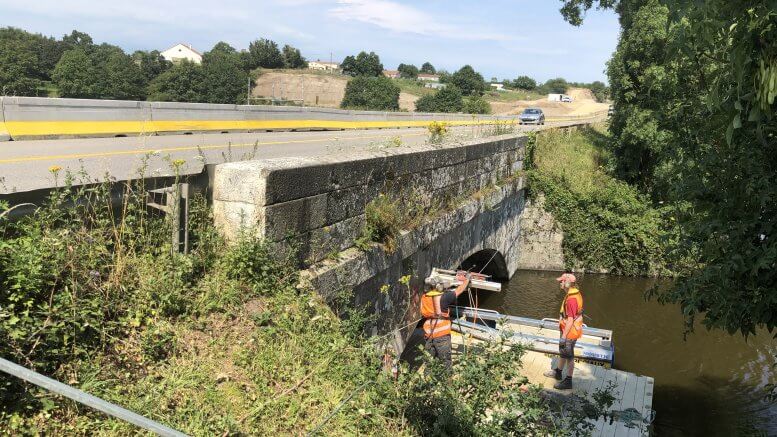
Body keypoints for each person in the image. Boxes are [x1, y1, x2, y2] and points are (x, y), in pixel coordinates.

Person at [420, 271, 471, 368]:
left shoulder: (424, 298)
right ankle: (447, 381)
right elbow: (459, 290)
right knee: (445, 361)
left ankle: (428, 381)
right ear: (439, 287)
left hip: (428, 333)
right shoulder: (445, 297)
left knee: (429, 361)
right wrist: (467, 279)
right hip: (442, 335)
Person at [544, 272, 584, 390]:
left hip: (569, 332)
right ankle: (558, 372)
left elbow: (570, 320)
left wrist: (564, 336)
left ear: (567, 283)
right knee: (563, 352)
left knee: (569, 356)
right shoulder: (574, 293)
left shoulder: (571, 299)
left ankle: (568, 381)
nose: (560, 283)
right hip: (568, 329)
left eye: (562, 281)